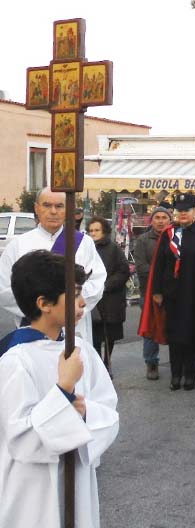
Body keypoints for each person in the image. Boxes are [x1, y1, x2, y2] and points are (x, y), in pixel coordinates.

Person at [0, 250, 118, 528]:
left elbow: (108, 408)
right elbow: (21, 438)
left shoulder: (82, 350)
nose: (82, 303)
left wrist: (87, 411)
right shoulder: (16, 361)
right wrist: (63, 388)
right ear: (44, 303)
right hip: (31, 485)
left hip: (76, 473)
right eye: (74, 295)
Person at [0, 187, 106, 344]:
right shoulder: (18, 245)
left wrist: (67, 307)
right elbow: (4, 289)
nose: (53, 211)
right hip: (33, 330)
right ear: (37, 208)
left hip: (73, 330)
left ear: (68, 208)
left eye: (59, 206)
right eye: (47, 205)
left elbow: (96, 282)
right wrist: (43, 310)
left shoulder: (84, 243)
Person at [151, 193, 195, 391]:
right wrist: (157, 290)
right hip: (172, 294)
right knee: (175, 336)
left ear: (194, 211)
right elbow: (159, 264)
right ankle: (176, 374)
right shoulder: (168, 234)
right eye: (179, 210)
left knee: (192, 336)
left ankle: (190, 374)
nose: (182, 214)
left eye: (187, 210)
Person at [87, 216, 130, 378]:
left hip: (111, 298)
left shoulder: (114, 248)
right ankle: (98, 365)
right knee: (95, 335)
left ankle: (107, 362)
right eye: (91, 230)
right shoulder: (86, 248)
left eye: (96, 230)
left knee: (110, 335)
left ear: (104, 231)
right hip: (93, 299)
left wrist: (105, 285)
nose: (93, 233)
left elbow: (123, 270)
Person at [134, 205, 172, 379]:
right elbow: (141, 267)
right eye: (157, 218)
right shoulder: (143, 240)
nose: (161, 221)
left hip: (172, 292)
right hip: (148, 292)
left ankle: (177, 361)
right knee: (150, 328)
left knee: (174, 326)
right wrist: (163, 275)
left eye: (164, 218)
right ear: (152, 220)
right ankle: (151, 363)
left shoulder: (175, 238)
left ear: (169, 220)